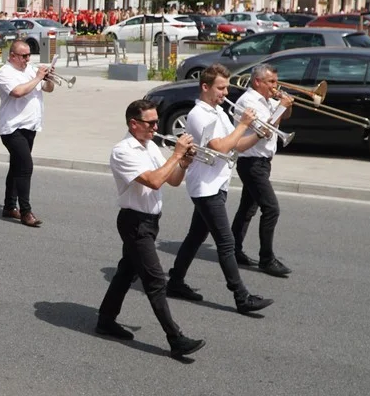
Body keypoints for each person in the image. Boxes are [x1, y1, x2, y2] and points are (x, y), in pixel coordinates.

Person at [98, 99, 205, 357]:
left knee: (126, 272)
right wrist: (176, 154)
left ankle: (105, 320)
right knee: (156, 280)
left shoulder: (151, 147)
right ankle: (175, 338)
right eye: (151, 122)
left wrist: (184, 163)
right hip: (134, 222)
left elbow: (173, 181)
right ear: (134, 123)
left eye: (157, 121)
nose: (156, 126)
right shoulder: (123, 151)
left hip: (150, 221)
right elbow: (155, 181)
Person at [166, 64, 274, 314]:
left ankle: (175, 281)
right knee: (226, 243)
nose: (225, 93)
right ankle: (241, 297)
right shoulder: (199, 114)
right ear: (205, 87)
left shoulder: (220, 112)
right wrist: (243, 124)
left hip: (218, 183)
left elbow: (237, 147)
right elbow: (221, 147)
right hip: (205, 187)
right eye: (221, 88)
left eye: (226, 87)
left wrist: (259, 134)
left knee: (196, 237)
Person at [230, 64, 294, 277]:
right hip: (251, 162)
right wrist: (281, 107)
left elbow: (283, 116)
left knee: (247, 209)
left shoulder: (267, 100)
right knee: (271, 209)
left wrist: (287, 105)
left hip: (263, 162)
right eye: (271, 82)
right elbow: (266, 131)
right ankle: (267, 259)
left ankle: (233, 249)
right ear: (257, 82)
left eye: (276, 81)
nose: (276, 86)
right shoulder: (247, 102)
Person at [0, 39, 54, 227]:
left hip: (30, 126)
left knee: (16, 167)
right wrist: (37, 77)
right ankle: (26, 211)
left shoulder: (29, 70)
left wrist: (48, 78)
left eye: (29, 55)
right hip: (12, 127)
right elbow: (18, 92)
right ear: (12, 56)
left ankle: (9, 206)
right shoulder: (4, 73)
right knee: (26, 167)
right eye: (24, 56)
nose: (28, 59)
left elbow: (48, 89)